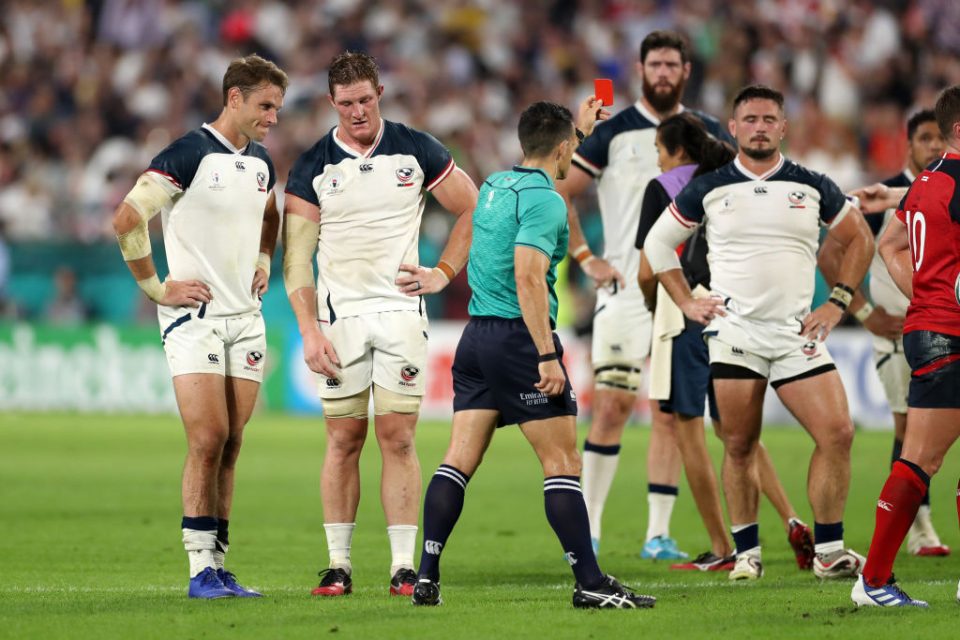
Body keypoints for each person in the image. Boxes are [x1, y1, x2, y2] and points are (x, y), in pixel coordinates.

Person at [411, 96, 656, 609]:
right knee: (563, 462)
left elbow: (542, 184)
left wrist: (579, 133)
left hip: (475, 340)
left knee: (458, 459)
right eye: (571, 147)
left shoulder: (498, 185)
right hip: (521, 341)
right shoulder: (545, 200)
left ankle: (427, 574)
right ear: (563, 147)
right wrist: (546, 354)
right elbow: (527, 273)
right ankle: (590, 582)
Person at [644, 85, 873, 581]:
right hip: (736, 334)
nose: (760, 126)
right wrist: (685, 301)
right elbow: (658, 244)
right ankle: (747, 553)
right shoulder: (710, 187)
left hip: (796, 334)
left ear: (784, 127)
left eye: (769, 118)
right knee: (740, 444)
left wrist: (837, 302)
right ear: (734, 127)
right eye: (750, 119)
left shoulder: (813, 184)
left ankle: (829, 551)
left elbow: (859, 239)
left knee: (838, 433)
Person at [282, 51, 479, 598]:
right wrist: (308, 330)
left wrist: (443, 271)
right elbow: (297, 260)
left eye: (365, 100)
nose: (358, 112)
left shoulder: (417, 149)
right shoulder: (312, 165)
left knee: (398, 437)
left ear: (380, 93)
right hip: (339, 320)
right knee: (343, 438)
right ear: (331, 104)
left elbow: (472, 206)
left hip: (400, 317)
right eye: (346, 103)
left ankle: (401, 566)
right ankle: (338, 565)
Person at [111, 54, 287, 598]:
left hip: (246, 319)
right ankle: (198, 571)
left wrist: (263, 263)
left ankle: (219, 565)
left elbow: (270, 215)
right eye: (265, 106)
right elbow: (127, 217)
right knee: (207, 438)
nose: (273, 118)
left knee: (232, 443)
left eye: (277, 109)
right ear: (234, 98)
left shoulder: (260, 163)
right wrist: (156, 288)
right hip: (196, 319)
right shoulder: (188, 153)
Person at [556, 30, 730, 559]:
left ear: (685, 72)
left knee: (673, 413)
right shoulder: (614, 131)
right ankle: (588, 531)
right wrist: (586, 258)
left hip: (688, 289)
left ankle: (659, 534)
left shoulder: (707, 133)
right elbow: (561, 191)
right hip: (628, 287)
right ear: (639, 68)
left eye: (671, 64)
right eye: (654, 63)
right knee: (610, 405)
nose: (662, 72)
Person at [635, 114, 813, 573]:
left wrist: (656, 311)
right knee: (740, 435)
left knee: (688, 432)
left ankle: (723, 546)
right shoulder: (730, 180)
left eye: (659, 148)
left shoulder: (664, 187)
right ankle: (792, 517)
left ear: (676, 151)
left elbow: (647, 268)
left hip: (687, 313)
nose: (657, 158)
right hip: (738, 314)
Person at [821, 109, 949, 558]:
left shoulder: (917, 191)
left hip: (934, 324)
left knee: (920, 439)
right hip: (902, 330)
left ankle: (890, 557)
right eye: (925, 139)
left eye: (939, 138)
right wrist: (862, 309)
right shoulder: (884, 201)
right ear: (908, 144)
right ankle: (919, 528)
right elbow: (830, 254)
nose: (934, 146)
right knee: (909, 429)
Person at [851, 86, 960, 608]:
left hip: (929, 329)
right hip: (951, 335)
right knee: (919, 461)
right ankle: (872, 580)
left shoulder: (923, 184)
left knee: (919, 458)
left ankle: (874, 580)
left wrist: (924, 292)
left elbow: (891, 244)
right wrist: (940, 297)